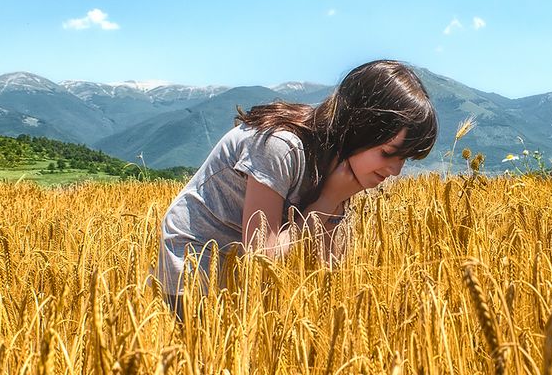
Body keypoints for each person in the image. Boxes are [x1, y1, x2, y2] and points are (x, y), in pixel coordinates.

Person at [156, 59, 438, 321]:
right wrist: (328, 200)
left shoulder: (342, 166)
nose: (396, 170)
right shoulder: (279, 146)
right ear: (357, 127)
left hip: (241, 273)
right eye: (388, 153)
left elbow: (327, 266)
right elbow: (261, 258)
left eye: (405, 158)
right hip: (194, 263)